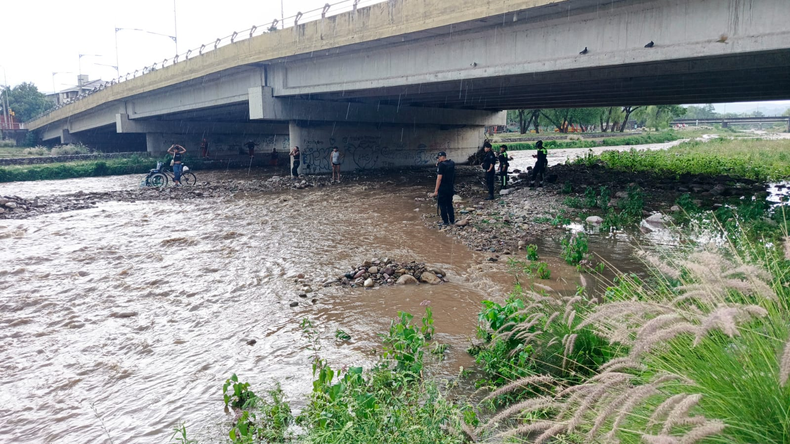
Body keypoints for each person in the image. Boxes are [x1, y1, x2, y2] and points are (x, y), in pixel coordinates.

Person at [432, 151, 455, 226]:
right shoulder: (452, 163)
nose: (438, 159)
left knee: (442, 205)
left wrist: (436, 191)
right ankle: (452, 220)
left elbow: (439, 179)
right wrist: (439, 165)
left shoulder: (441, 165)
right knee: (449, 204)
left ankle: (445, 221)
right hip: (450, 187)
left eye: (439, 157)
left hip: (443, 188)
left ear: (442, 157)